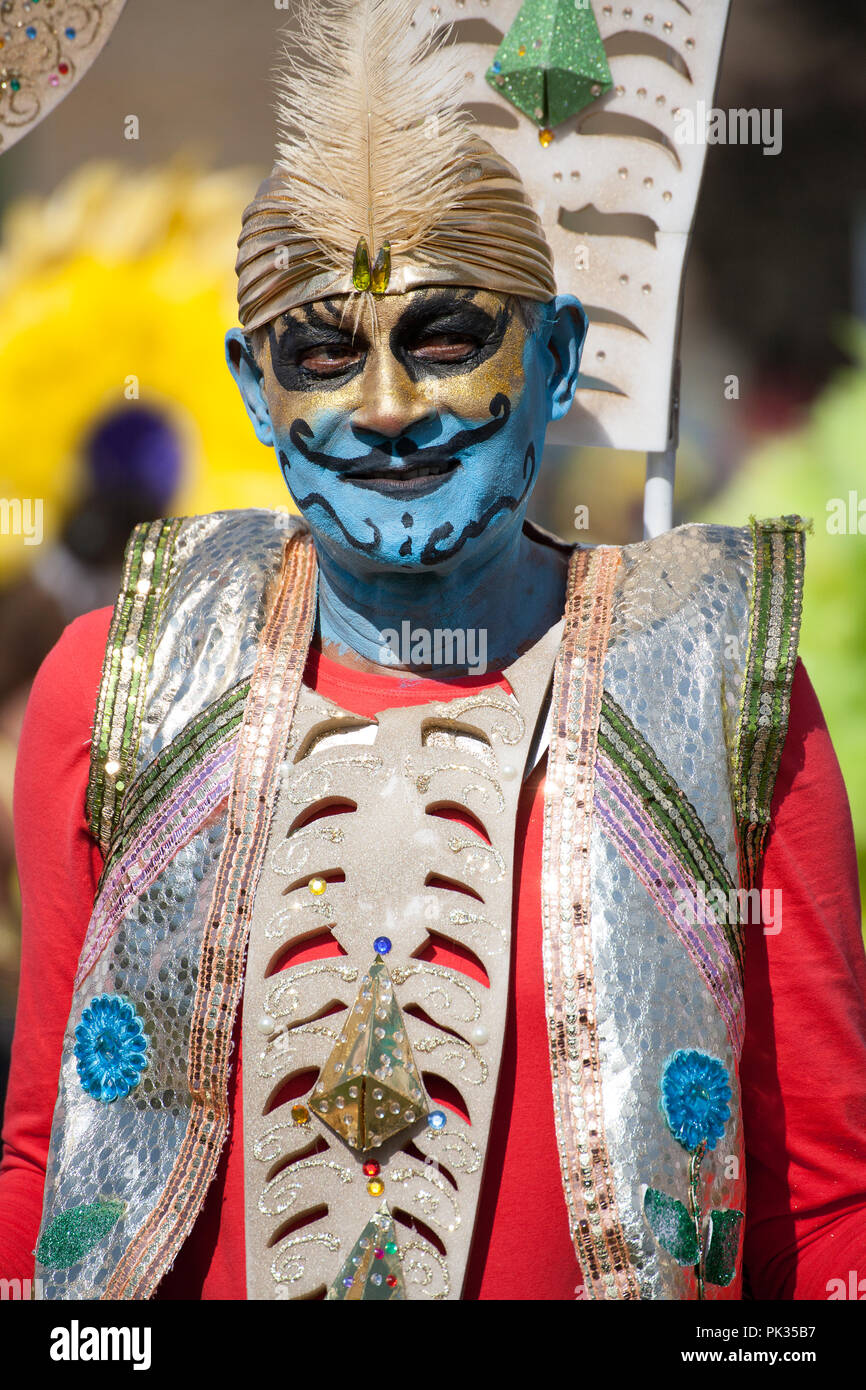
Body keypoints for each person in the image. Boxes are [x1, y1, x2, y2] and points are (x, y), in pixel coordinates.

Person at [1, 0, 865, 1301]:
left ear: (559, 355)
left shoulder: (714, 673)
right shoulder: (120, 677)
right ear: (253, 388)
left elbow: (829, 1204)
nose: (390, 408)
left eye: (446, 338)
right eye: (326, 352)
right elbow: (46, 1166)